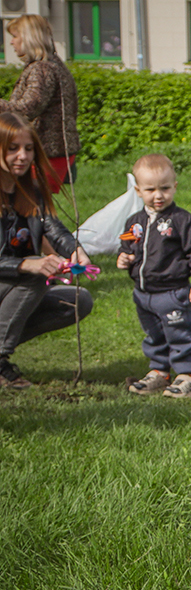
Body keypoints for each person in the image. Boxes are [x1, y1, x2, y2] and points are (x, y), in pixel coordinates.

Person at [0, 112, 92, 388]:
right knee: (37, 274)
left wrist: (76, 251)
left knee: (78, 301)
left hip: (10, 285)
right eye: (13, 148)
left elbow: (54, 229)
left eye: (29, 149)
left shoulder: (32, 190)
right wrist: (25, 264)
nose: (23, 156)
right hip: (9, 278)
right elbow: (28, 266)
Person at [116, 154, 191, 398]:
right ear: (138, 190)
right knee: (154, 334)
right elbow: (128, 246)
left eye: (165, 188)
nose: (158, 195)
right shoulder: (134, 222)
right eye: (150, 189)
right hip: (143, 293)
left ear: (175, 187)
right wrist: (124, 257)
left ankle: (189, 375)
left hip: (174, 292)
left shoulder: (182, 221)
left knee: (179, 333)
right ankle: (159, 372)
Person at [0, 15, 81, 193]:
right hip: (48, 149)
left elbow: (28, 109)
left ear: (29, 38)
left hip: (45, 151)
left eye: (15, 36)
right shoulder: (50, 64)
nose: (11, 42)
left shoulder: (42, 68)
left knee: (33, 203)